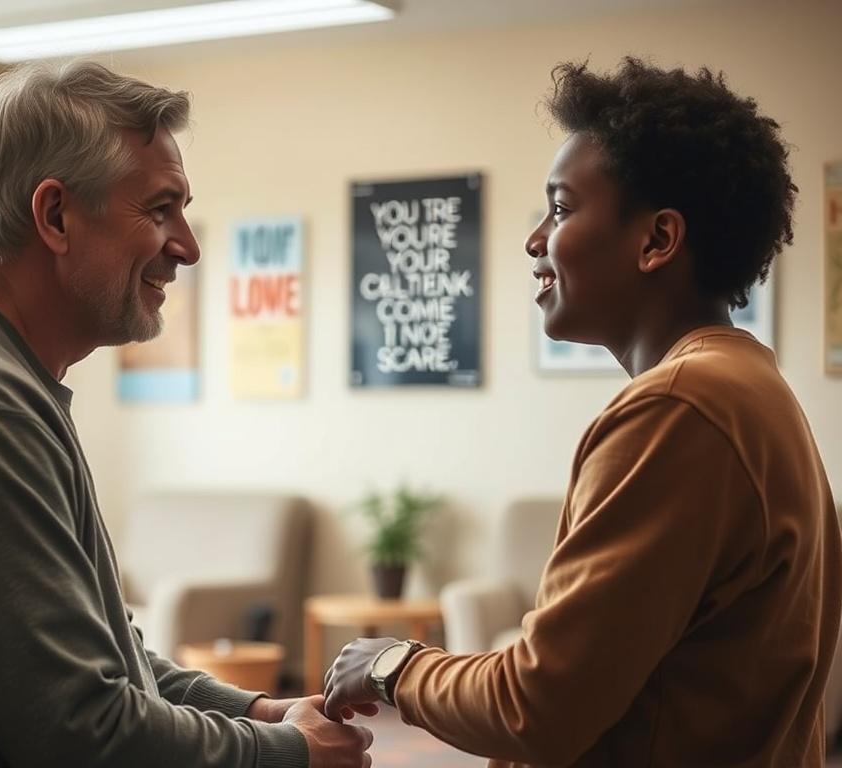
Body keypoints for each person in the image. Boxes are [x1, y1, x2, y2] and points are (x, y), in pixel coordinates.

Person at [0, 61, 375, 768]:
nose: (189, 246)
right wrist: (290, 755)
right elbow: (83, 733)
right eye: (159, 209)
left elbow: (100, 658)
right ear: (55, 216)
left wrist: (259, 710)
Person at [323, 57, 841, 767]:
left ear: (657, 240)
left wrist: (393, 666)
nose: (536, 239)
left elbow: (534, 706)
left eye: (562, 208)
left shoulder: (679, 406)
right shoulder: (751, 385)